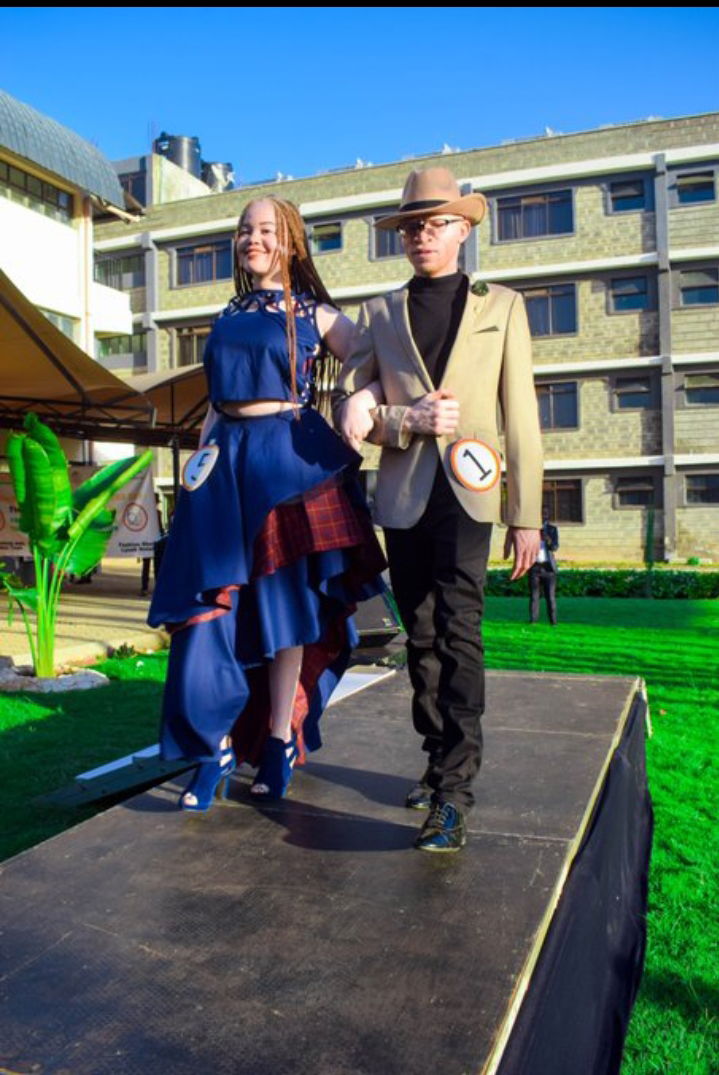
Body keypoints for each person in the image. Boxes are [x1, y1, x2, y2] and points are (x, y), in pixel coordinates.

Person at [148, 196, 386, 811]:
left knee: (286, 609)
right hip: (222, 460)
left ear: (291, 243)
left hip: (286, 464)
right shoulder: (226, 313)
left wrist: (361, 400)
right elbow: (216, 401)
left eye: (266, 230)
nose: (253, 239)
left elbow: (378, 357)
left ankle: (279, 739)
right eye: (244, 230)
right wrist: (197, 475)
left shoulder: (314, 313)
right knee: (211, 608)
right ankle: (212, 745)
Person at [334, 167, 543, 853]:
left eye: (436, 223)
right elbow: (352, 408)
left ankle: (454, 792)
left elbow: (523, 417)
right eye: (412, 226)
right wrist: (406, 418)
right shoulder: (380, 312)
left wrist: (526, 513)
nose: (423, 234)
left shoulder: (502, 306)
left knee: (458, 631)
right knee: (418, 635)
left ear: (462, 228)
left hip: (471, 493)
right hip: (403, 493)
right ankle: (434, 758)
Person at [529, 507, 559, 625]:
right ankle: (533, 621)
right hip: (535, 567)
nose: (543, 516)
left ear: (548, 516)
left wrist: (548, 540)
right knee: (534, 596)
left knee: (550, 597)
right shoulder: (531, 531)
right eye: (541, 514)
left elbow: (555, 547)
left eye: (545, 514)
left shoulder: (552, 530)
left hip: (548, 569)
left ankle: (553, 621)